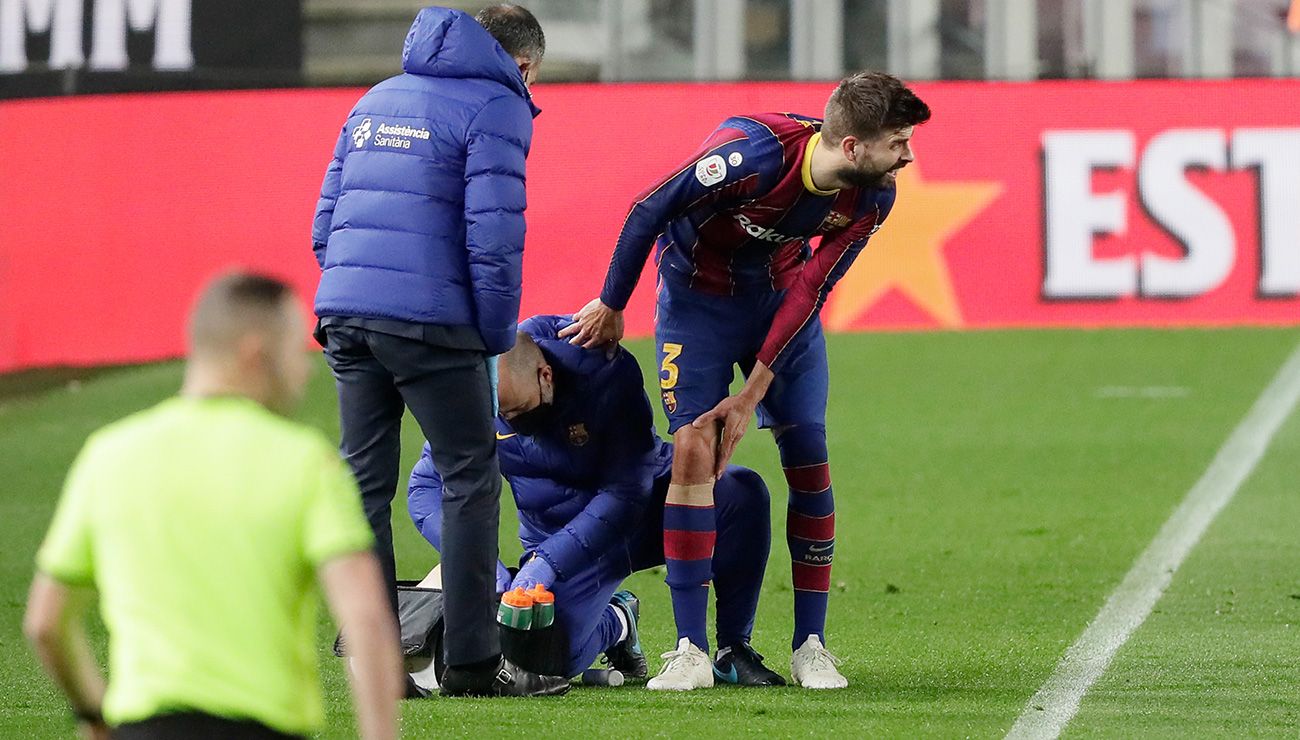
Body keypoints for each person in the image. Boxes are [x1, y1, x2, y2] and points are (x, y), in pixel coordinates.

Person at [561, 72, 932, 689]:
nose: (908, 156)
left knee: (809, 454)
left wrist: (752, 392)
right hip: (696, 304)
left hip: (781, 305)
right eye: (897, 142)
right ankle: (690, 650)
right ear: (852, 148)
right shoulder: (750, 156)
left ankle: (810, 645)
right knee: (692, 454)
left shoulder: (872, 197)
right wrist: (612, 301)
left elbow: (814, 284)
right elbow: (650, 207)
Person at [23, 273, 401, 740]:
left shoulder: (109, 455)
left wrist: (92, 715)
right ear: (255, 353)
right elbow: (365, 617)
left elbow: (45, 623)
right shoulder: (305, 462)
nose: (305, 371)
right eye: (294, 353)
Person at [309, 4, 545, 695]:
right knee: (468, 478)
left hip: (345, 314)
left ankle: (376, 661)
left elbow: (325, 222)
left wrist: (358, 289)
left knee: (363, 489)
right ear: (522, 64)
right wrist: (496, 339)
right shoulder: (498, 107)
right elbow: (494, 238)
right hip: (434, 326)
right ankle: (471, 664)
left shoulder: (375, 97)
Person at [407, 315, 783, 687]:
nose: (510, 421)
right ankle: (620, 621)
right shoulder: (475, 393)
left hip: (649, 509)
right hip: (564, 542)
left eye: (519, 410)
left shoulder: (603, 368)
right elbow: (423, 488)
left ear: (546, 375)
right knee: (547, 658)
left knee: (741, 493)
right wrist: (479, 560)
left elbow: (626, 493)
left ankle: (733, 648)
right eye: (501, 414)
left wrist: (548, 563)